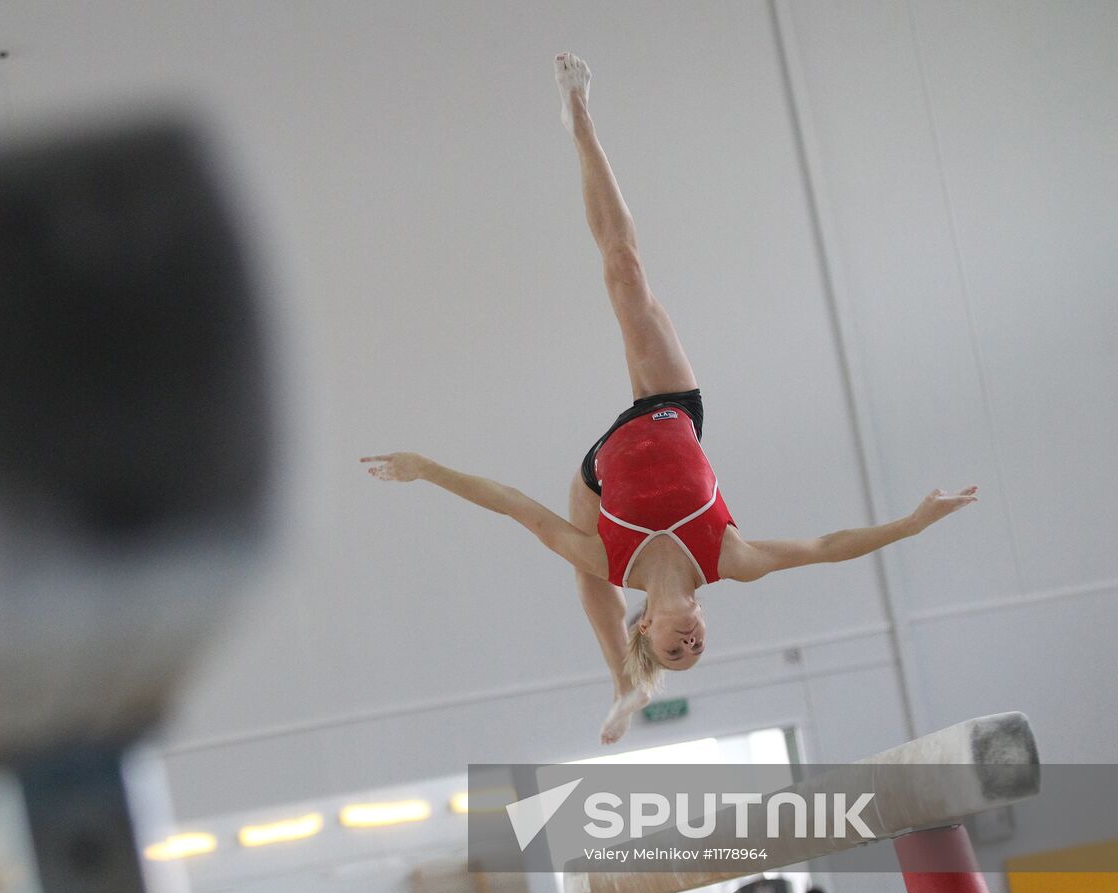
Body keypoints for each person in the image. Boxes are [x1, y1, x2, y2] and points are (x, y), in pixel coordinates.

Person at [361, 53, 978, 744]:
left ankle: (622, 679)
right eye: (698, 647)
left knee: (580, 561)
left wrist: (426, 468)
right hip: (670, 408)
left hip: (600, 475)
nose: (689, 642)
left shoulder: (613, 563)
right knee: (625, 269)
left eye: (672, 650)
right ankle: (581, 120)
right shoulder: (730, 560)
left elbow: (513, 506)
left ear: (647, 627)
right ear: (702, 623)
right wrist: (913, 524)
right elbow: (828, 545)